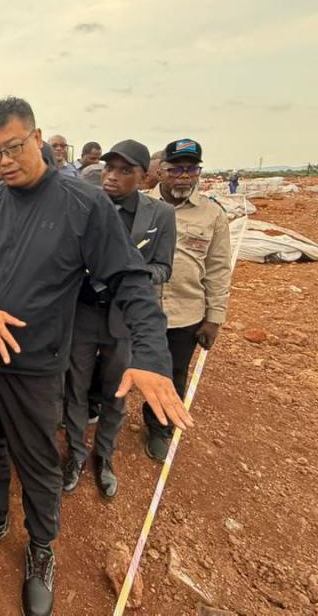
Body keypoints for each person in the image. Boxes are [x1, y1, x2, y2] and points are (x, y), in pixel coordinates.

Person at [0, 97, 191, 616]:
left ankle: (40, 546)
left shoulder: (83, 204)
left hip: (34, 367)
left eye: (14, 147)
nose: (5, 160)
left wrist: (149, 354)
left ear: (37, 138)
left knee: (36, 460)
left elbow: (130, 277)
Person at [63, 140, 176, 499]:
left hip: (123, 320)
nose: (112, 176)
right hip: (82, 314)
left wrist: (127, 272)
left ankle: (104, 456)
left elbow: (163, 268)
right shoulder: (86, 207)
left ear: (144, 177)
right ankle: (76, 455)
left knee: (116, 392)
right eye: (109, 168)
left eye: (124, 171)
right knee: (75, 389)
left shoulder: (160, 217)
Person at [144, 139, 232, 461]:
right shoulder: (140, 206)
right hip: (139, 311)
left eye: (191, 169)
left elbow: (219, 269)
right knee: (117, 367)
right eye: (176, 169)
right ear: (162, 171)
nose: (184, 176)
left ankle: (159, 427)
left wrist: (214, 318)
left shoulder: (212, 215)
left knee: (173, 372)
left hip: (185, 313)